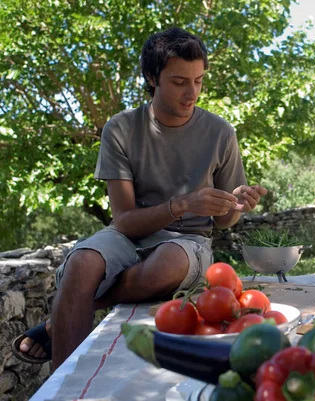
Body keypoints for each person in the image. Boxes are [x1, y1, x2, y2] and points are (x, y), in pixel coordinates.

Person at [11, 27, 267, 368]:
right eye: (179, 82)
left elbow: (224, 220)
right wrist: (184, 203)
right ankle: (64, 387)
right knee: (81, 263)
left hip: (187, 244)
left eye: (199, 81)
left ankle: (62, 319)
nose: (192, 93)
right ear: (151, 77)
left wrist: (234, 204)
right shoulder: (120, 129)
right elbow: (125, 221)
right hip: (128, 236)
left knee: (165, 265)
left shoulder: (221, 132)